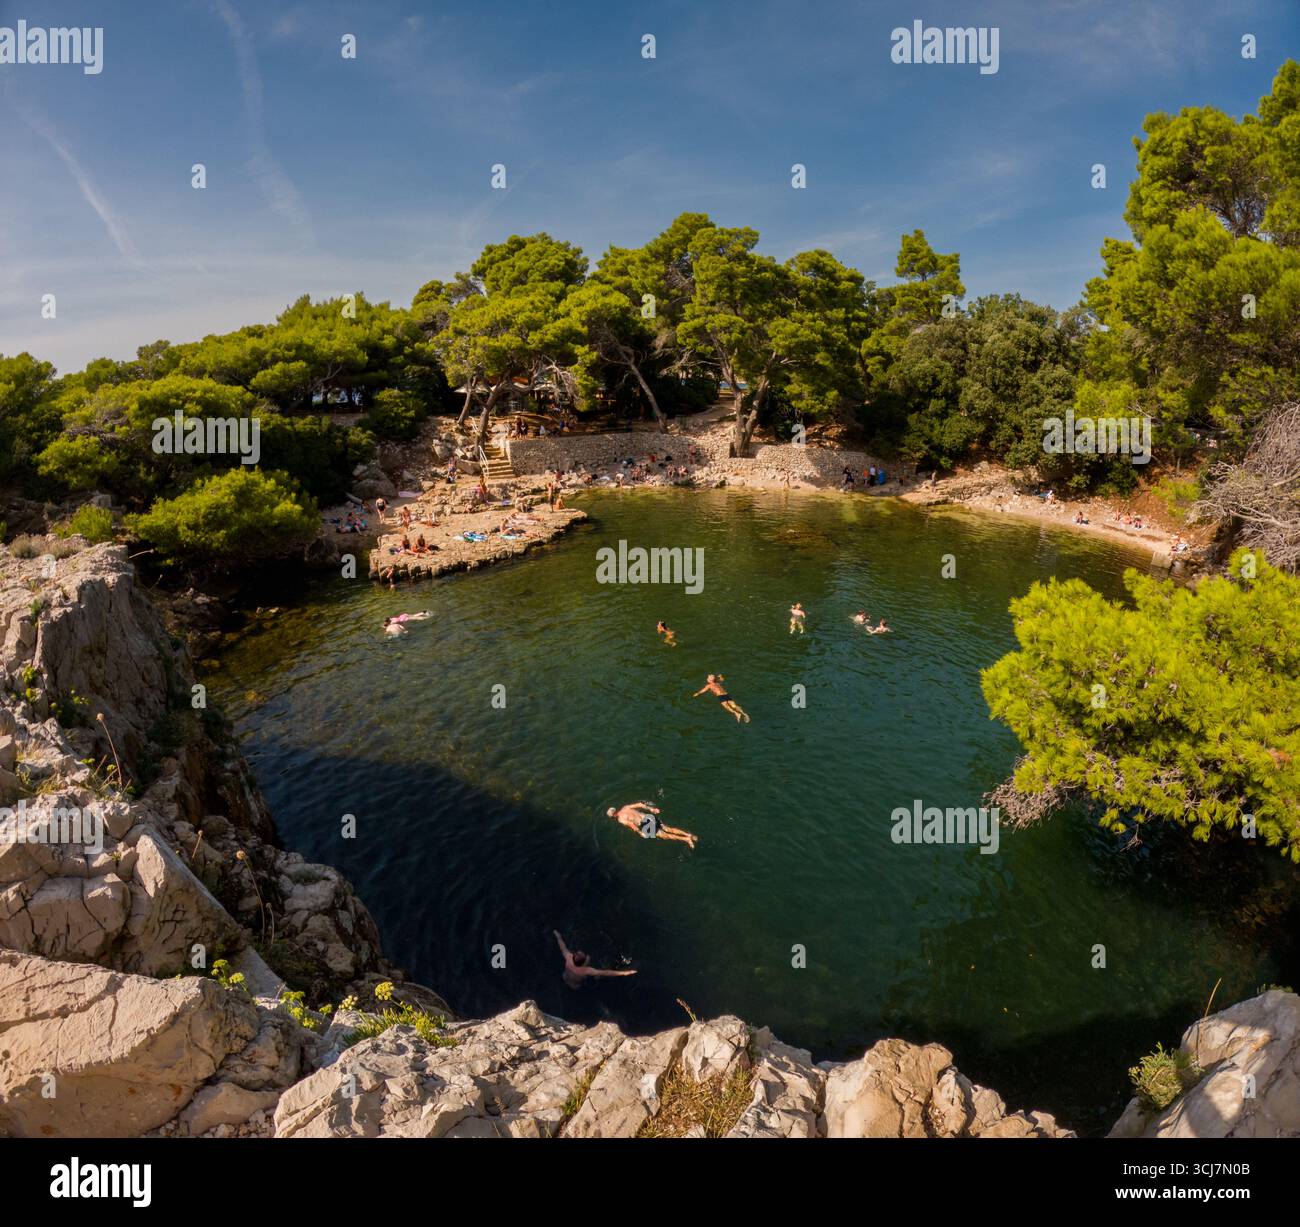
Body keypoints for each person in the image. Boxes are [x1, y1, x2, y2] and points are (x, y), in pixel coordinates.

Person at [553, 931, 637, 987]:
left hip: (565, 978)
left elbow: (562, 947)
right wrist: (625, 972)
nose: (579, 952)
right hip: (576, 985)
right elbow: (607, 972)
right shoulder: (586, 970)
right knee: (596, 975)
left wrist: (558, 936)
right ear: (583, 963)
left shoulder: (568, 958)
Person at [607, 802, 698, 848]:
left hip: (645, 824)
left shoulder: (620, 819)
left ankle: (686, 839)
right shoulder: (625, 807)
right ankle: (688, 834)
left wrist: (640, 832)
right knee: (668, 828)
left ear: (613, 815)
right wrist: (651, 809)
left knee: (665, 836)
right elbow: (640, 804)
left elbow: (631, 824)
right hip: (648, 817)